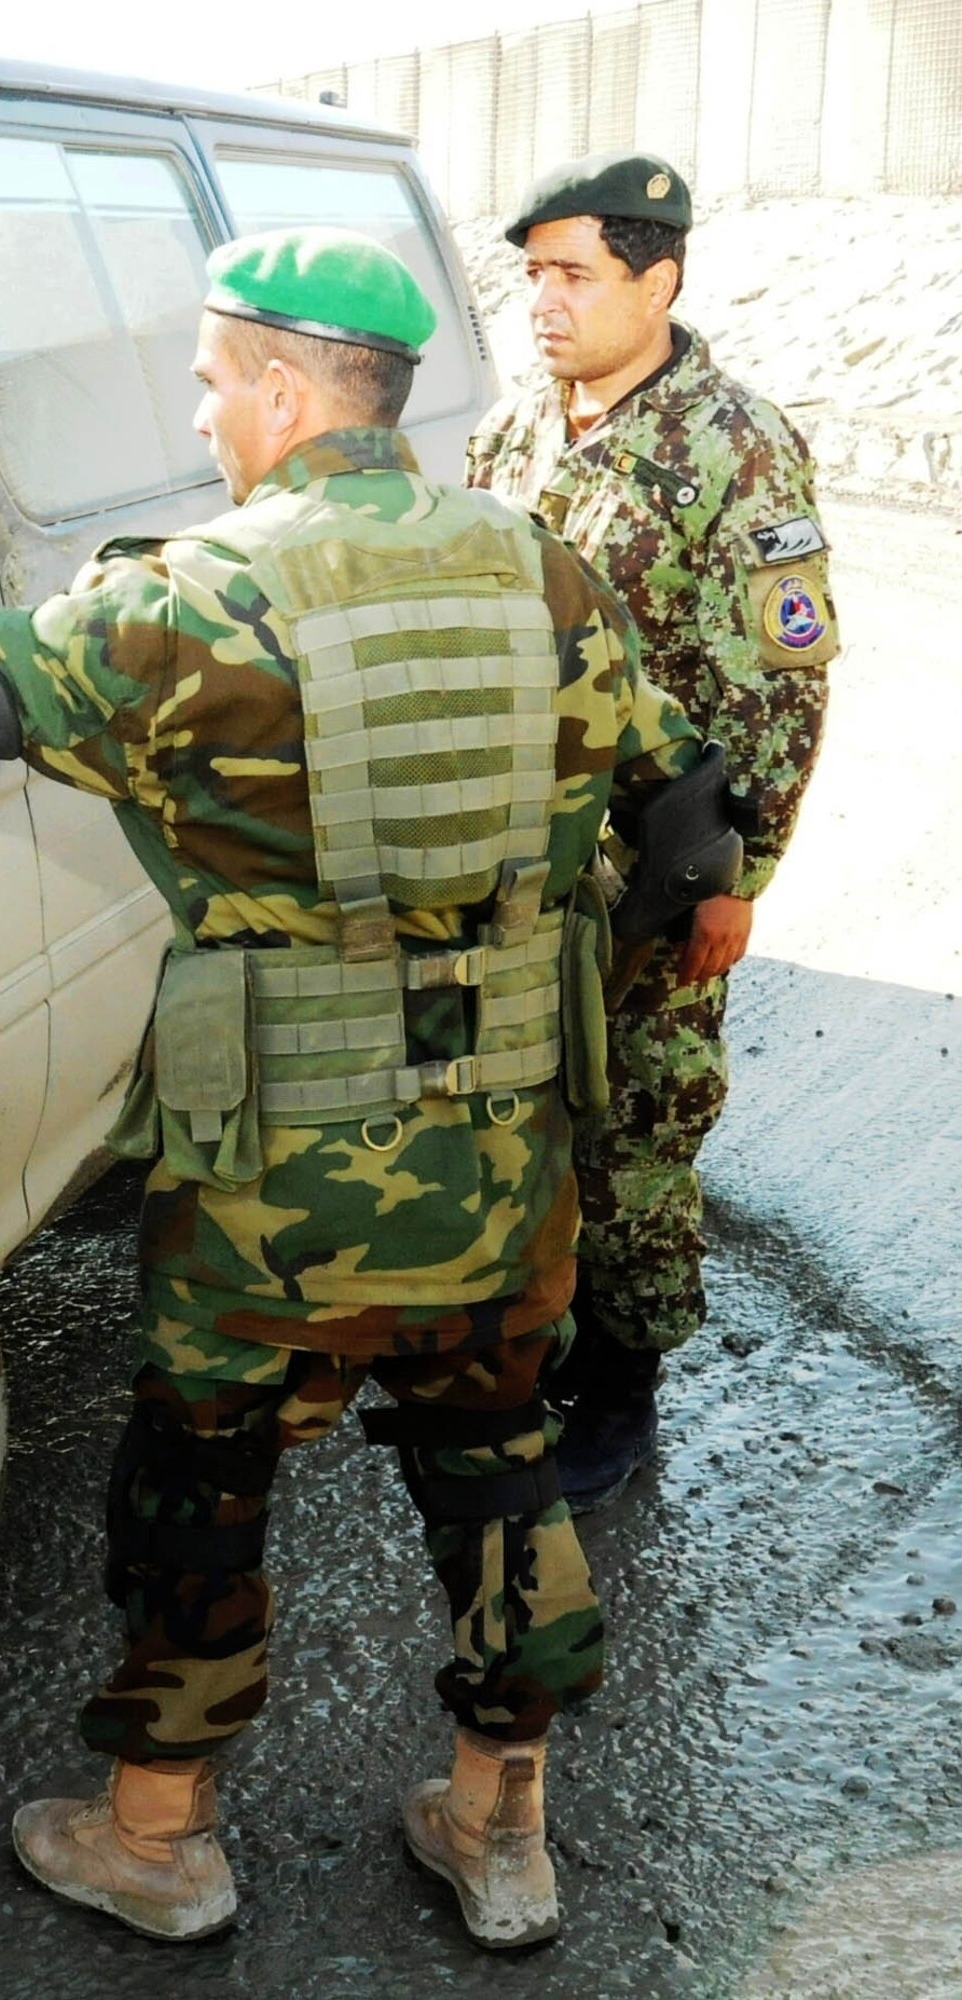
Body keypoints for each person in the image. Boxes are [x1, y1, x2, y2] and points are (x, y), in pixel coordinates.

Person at [0, 227, 727, 1951]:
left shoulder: (196, 600)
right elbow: (686, 814)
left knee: (203, 1482)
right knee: (498, 1465)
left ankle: (160, 1840)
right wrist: (558, 1013)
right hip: (504, 1163)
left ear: (283, 388)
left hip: (274, 1180)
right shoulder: (539, 569)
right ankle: (503, 1836)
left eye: (209, 383)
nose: (201, 420)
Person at [467, 152, 838, 1511]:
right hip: (524, 866)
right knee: (525, 1115)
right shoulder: (520, 429)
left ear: (657, 278)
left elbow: (781, 693)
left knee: (637, 1134)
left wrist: (732, 883)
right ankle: (539, 1337)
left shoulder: (737, 446)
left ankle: (621, 1389)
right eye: (533, 277)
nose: (543, 304)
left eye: (573, 275)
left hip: (653, 870)